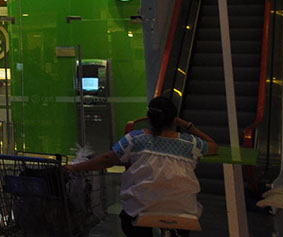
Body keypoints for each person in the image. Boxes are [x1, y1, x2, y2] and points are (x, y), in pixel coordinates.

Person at [67, 96, 217, 236]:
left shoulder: (135, 139)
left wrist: (75, 167)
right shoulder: (191, 144)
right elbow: (213, 146)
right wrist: (187, 125)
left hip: (140, 210)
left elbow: (107, 159)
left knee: (129, 218)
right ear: (174, 119)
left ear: (148, 117)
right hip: (184, 213)